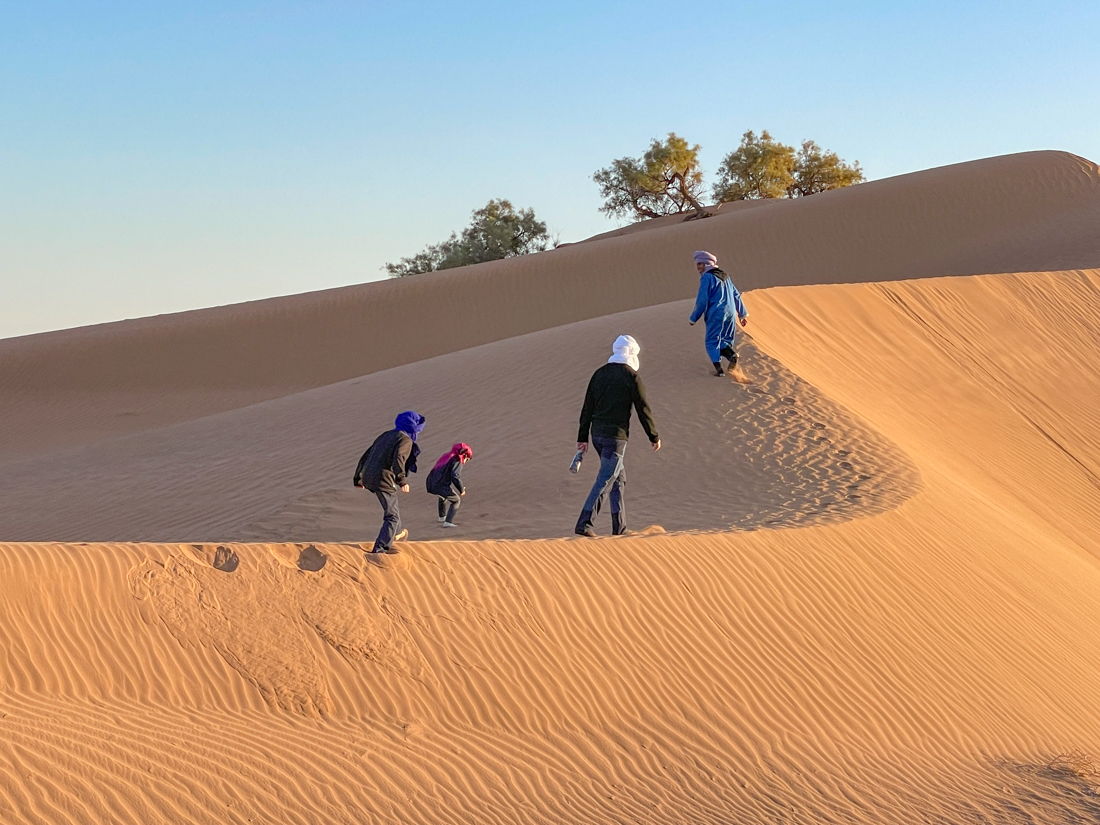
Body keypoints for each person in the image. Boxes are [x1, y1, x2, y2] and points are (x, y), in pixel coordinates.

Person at [574, 335, 660, 537]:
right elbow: (643, 409)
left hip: (597, 436)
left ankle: (619, 528)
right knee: (605, 479)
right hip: (615, 438)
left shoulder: (599, 374)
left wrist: (582, 437)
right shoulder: (631, 377)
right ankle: (584, 523)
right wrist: (653, 436)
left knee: (618, 479)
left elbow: (587, 407)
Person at [353, 410, 426, 554]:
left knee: (392, 508)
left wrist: (358, 477)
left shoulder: (385, 435)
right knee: (392, 517)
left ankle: (397, 532)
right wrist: (402, 480)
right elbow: (399, 458)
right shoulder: (405, 439)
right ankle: (380, 550)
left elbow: (366, 455)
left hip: (369, 476)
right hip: (383, 478)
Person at [688, 250, 749, 378]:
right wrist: (742, 314)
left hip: (716, 313)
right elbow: (736, 295)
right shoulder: (725, 276)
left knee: (711, 341)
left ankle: (719, 371)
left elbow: (702, 299)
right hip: (730, 313)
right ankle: (732, 355)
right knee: (725, 339)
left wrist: (694, 318)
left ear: (706, 264)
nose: (698, 268)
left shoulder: (707, 277)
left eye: (700, 264)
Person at [426, 442, 473, 528]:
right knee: (456, 500)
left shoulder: (447, 456)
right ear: (465, 455)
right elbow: (455, 475)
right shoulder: (458, 460)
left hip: (430, 482)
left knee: (443, 496)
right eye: (468, 459)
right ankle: (448, 522)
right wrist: (461, 490)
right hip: (439, 485)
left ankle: (442, 517)